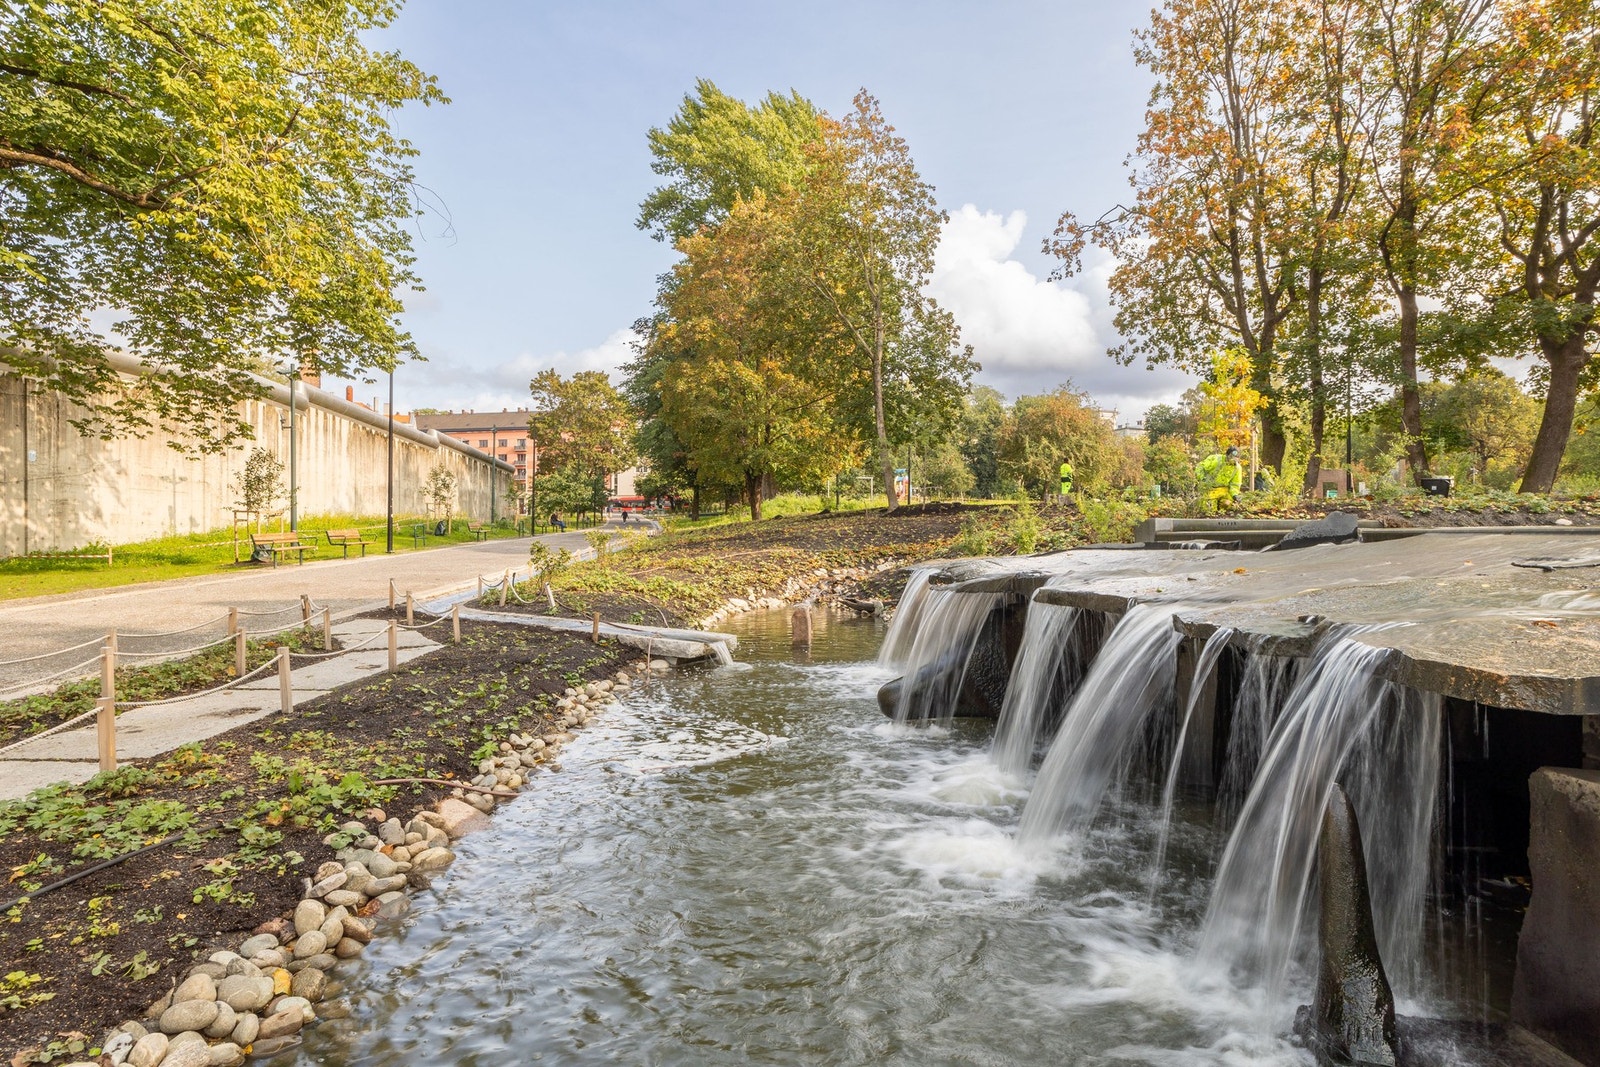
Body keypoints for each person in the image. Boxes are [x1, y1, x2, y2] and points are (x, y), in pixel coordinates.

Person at [1196, 446, 1243, 510]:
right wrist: (1202, 479)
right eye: (1231, 457)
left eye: (1236, 458)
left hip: (1224, 491)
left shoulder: (1237, 468)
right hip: (1210, 489)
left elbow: (1235, 484)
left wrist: (1235, 495)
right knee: (1209, 509)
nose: (1233, 459)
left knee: (1227, 504)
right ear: (1226, 455)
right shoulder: (1216, 460)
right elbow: (1200, 467)